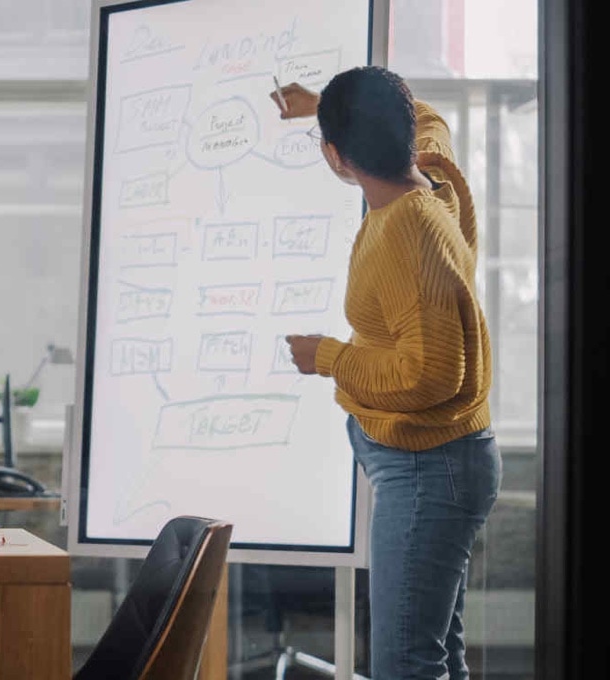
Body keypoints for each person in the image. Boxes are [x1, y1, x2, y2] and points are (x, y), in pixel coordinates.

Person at [274, 66, 501, 679]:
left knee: (405, 662)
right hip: (435, 464)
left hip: (430, 470)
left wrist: (328, 357)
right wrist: (323, 106)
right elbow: (430, 119)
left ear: (335, 156)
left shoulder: (408, 230)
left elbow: (430, 374)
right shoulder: (431, 176)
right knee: (431, 655)